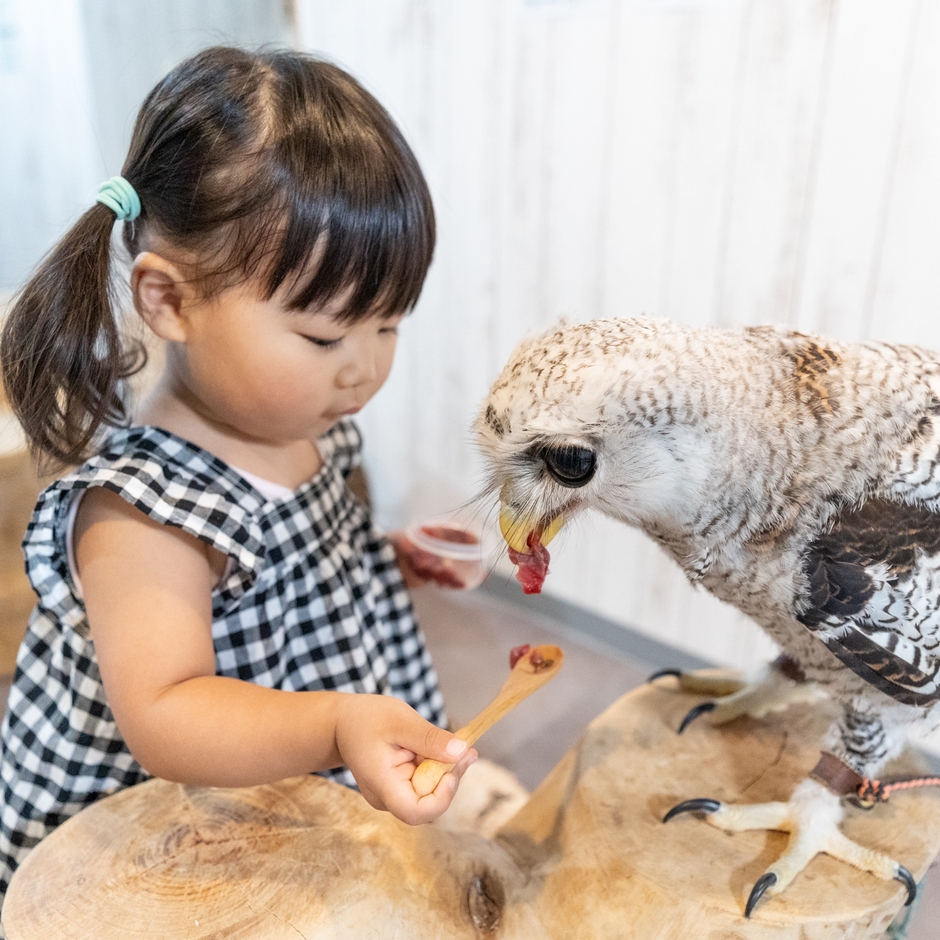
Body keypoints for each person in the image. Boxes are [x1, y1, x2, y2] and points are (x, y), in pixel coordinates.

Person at [0, 45, 477, 906]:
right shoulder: (145, 513)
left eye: (389, 326)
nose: (364, 369)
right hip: (162, 839)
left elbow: (290, 573)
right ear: (170, 301)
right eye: (326, 337)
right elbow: (168, 715)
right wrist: (335, 723)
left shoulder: (298, 420)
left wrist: (384, 558)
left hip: (290, 781)